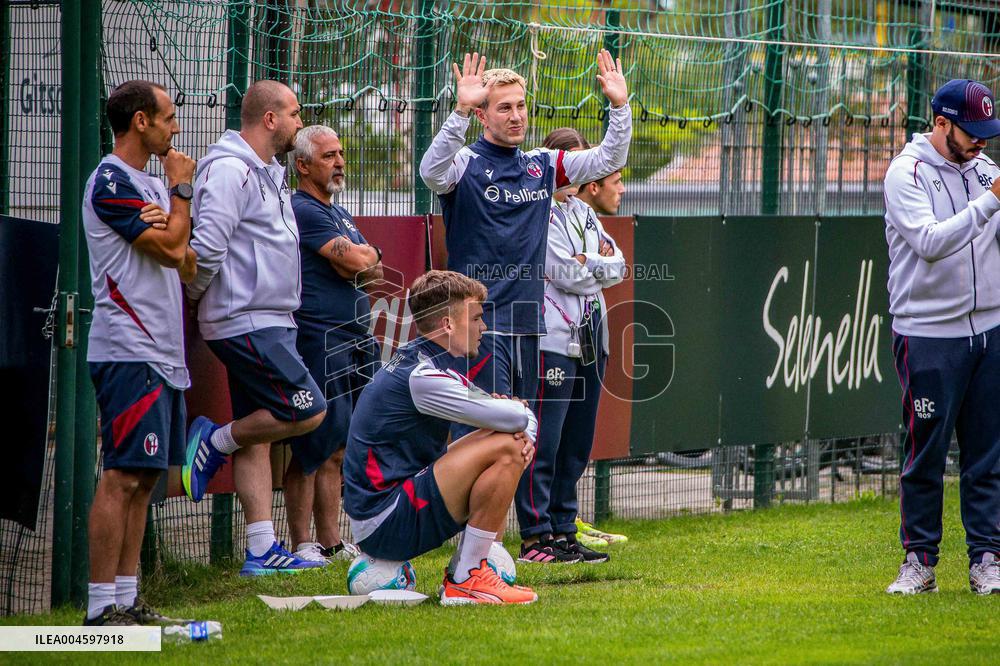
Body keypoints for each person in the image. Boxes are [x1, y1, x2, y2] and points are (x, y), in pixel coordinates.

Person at [418, 50, 631, 437]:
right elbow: (430, 173)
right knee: (483, 440)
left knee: (518, 440)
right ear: (483, 116)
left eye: (520, 106)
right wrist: (459, 112)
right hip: (481, 327)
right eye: (503, 108)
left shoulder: (542, 165)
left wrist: (620, 106)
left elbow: (606, 159)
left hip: (530, 327)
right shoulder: (465, 162)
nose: (516, 116)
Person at [183, 80, 327, 576]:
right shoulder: (228, 170)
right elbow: (205, 249)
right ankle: (213, 441)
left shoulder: (268, 170)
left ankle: (261, 549)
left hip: (269, 318)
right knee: (309, 409)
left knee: (258, 435)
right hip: (245, 320)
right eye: (293, 112)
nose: (299, 121)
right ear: (269, 119)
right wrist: (206, 300)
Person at [342, 270, 540, 605]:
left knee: (504, 438)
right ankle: (467, 577)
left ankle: (469, 568)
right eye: (476, 318)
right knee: (508, 445)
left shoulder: (422, 362)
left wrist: (514, 421)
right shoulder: (425, 376)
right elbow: (517, 417)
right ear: (448, 324)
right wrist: (519, 424)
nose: (483, 328)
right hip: (385, 521)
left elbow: (506, 417)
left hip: (385, 511)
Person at [82, 80, 197, 625]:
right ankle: (100, 608)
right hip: (128, 349)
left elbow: (185, 259)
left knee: (147, 479)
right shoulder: (110, 181)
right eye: (169, 117)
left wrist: (172, 219)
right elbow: (175, 246)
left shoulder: (149, 185)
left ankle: (127, 601)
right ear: (141, 122)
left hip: (162, 351)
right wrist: (179, 195)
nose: (177, 128)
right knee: (121, 475)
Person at [883, 78, 1000, 595]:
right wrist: (989, 204)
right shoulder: (904, 172)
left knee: (988, 454)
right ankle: (920, 563)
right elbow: (930, 243)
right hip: (928, 334)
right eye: (971, 132)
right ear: (941, 123)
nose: (980, 143)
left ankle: (988, 561)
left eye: (986, 133)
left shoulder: (986, 170)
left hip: (991, 331)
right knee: (925, 453)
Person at [515, 128, 626, 564]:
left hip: (592, 338)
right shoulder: (538, 211)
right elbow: (564, 272)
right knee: (547, 440)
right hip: (552, 341)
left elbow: (617, 265)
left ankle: (564, 529)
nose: (580, 172)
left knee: (577, 444)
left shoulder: (583, 211)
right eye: (572, 162)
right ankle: (536, 536)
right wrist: (590, 264)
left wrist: (591, 262)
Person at [284, 124, 382, 564]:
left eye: (341, 153)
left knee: (340, 446)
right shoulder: (303, 208)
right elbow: (360, 261)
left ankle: (330, 541)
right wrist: (359, 260)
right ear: (302, 165)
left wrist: (360, 260)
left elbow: (371, 270)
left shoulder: (338, 213)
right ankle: (302, 543)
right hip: (320, 338)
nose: (340, 161)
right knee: (313, 444)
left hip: (356, 339)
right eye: (328, 156)